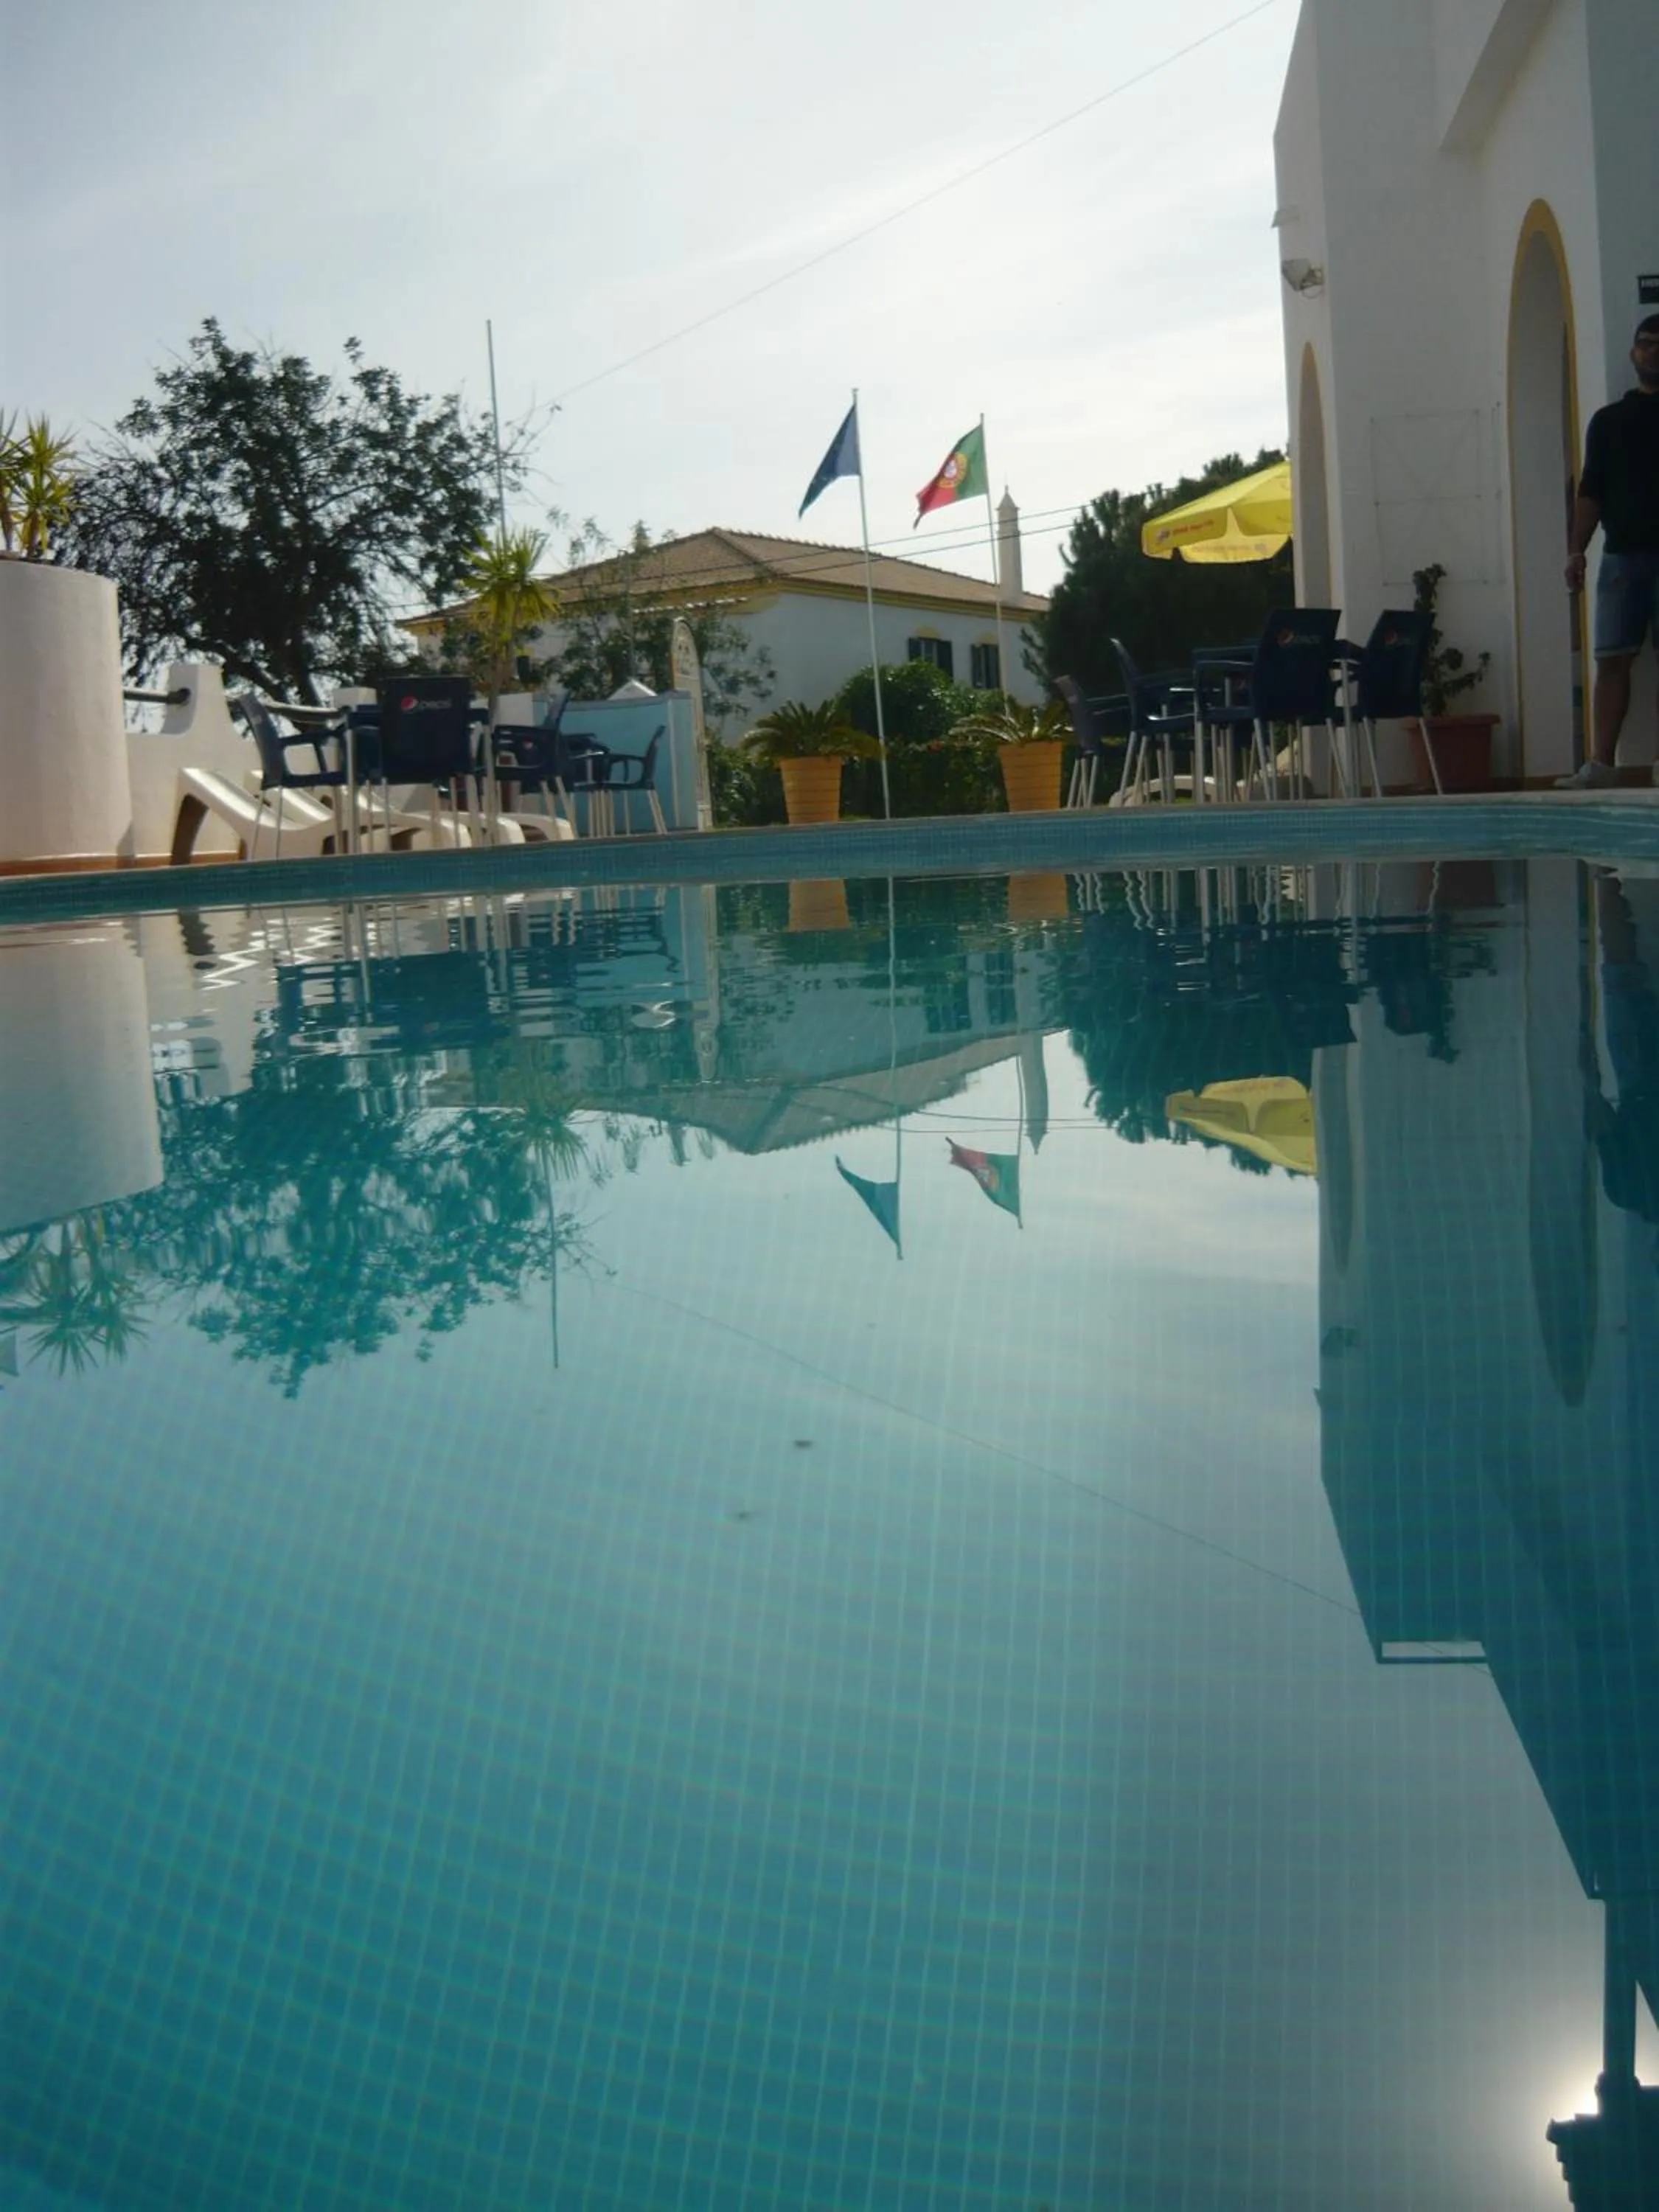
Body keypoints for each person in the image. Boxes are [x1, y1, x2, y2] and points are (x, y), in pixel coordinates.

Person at [1556, 313, 1659, 788]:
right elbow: (1590, 489)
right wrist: (1576, 550)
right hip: (1621, 555)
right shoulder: (1609, 421)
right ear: (1633, 353)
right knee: (1611, 659)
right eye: (1645, 343)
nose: (1652, 351)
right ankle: (1601, 763)